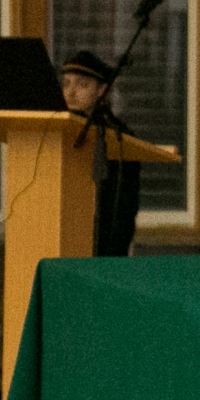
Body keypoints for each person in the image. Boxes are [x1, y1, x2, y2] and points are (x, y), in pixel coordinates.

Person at [60, 50, 142, 257]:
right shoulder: (55, 130)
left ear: (101, 90)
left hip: (102, 244)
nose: (70, 93)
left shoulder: (117, 136)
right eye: (66, 84)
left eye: (82, 85)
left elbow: (122, 208)